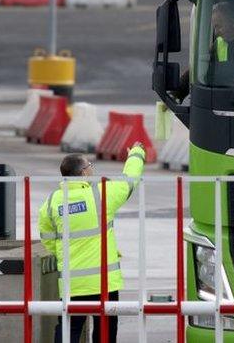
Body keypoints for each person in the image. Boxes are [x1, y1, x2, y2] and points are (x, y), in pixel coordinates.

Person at [39, 144, 146, 343]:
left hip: (73, 283)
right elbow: (130, 180)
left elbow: (48, 240)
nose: (92, 169)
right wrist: (136, 154)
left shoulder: (52, 202)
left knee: (69, 328)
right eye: (90, 166)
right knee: (105, 329)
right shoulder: (100, 194)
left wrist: (65, 255)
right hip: (104, 281)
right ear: (83, 173)